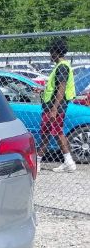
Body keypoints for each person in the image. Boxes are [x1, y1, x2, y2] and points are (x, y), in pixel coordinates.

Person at [40, 37, 76, 172]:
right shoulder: (61, 66)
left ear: (56, 52)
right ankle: (68, 162)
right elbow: (56, 87)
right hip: (54, 106)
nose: (50, 55)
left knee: (49, 133)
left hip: (55, 108)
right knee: (52, 133)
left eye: (51, 51)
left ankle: (38, 161)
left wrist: (54, 109)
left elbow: (61, 87)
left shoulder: (62, 67)